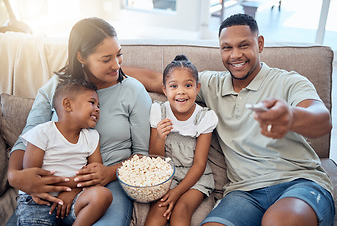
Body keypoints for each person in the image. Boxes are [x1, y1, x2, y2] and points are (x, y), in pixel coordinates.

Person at [122, 13, 335, 226]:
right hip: (243, 193)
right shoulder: (209, 84)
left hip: (298, 183)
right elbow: (155, 79)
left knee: (278, 222)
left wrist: (290, 117)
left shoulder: (289, 81)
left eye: (244, 45)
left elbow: (322, 119)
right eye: (227, 48)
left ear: (259, 44)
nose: (235, 55)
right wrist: (106, 69)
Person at [7, 17, 152, 226]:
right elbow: (27, 138)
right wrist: (15, 176)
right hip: (54, 183)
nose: (117, 65)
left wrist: (109, 172)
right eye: (106, 59)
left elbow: (142, 155)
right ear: (82, 57)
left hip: (105, 185)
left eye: (119, 54)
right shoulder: (56, 88)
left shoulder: (133, 91)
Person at [17, 79, 112, 226]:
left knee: (102, 195)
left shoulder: (92, 137)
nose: (98, 109)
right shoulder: (43, 132)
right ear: (68, 104)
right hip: (39, 201)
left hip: (72, 200)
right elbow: (32, 175)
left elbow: (93, 176)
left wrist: (72, 192)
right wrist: (71, 186)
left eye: (98, 105)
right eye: (92, 103)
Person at [144, 55, 218, 226]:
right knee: (159, 209)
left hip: (196, 177)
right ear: (164, 90)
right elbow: (156, 159)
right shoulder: (159, 112)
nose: (181, 91)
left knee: (181, 209)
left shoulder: (204, 117)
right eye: (174, 86)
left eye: (188, 85)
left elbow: (199, 165)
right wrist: (160, 138)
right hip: (167, 174)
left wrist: (176, 192)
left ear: (197, 88)